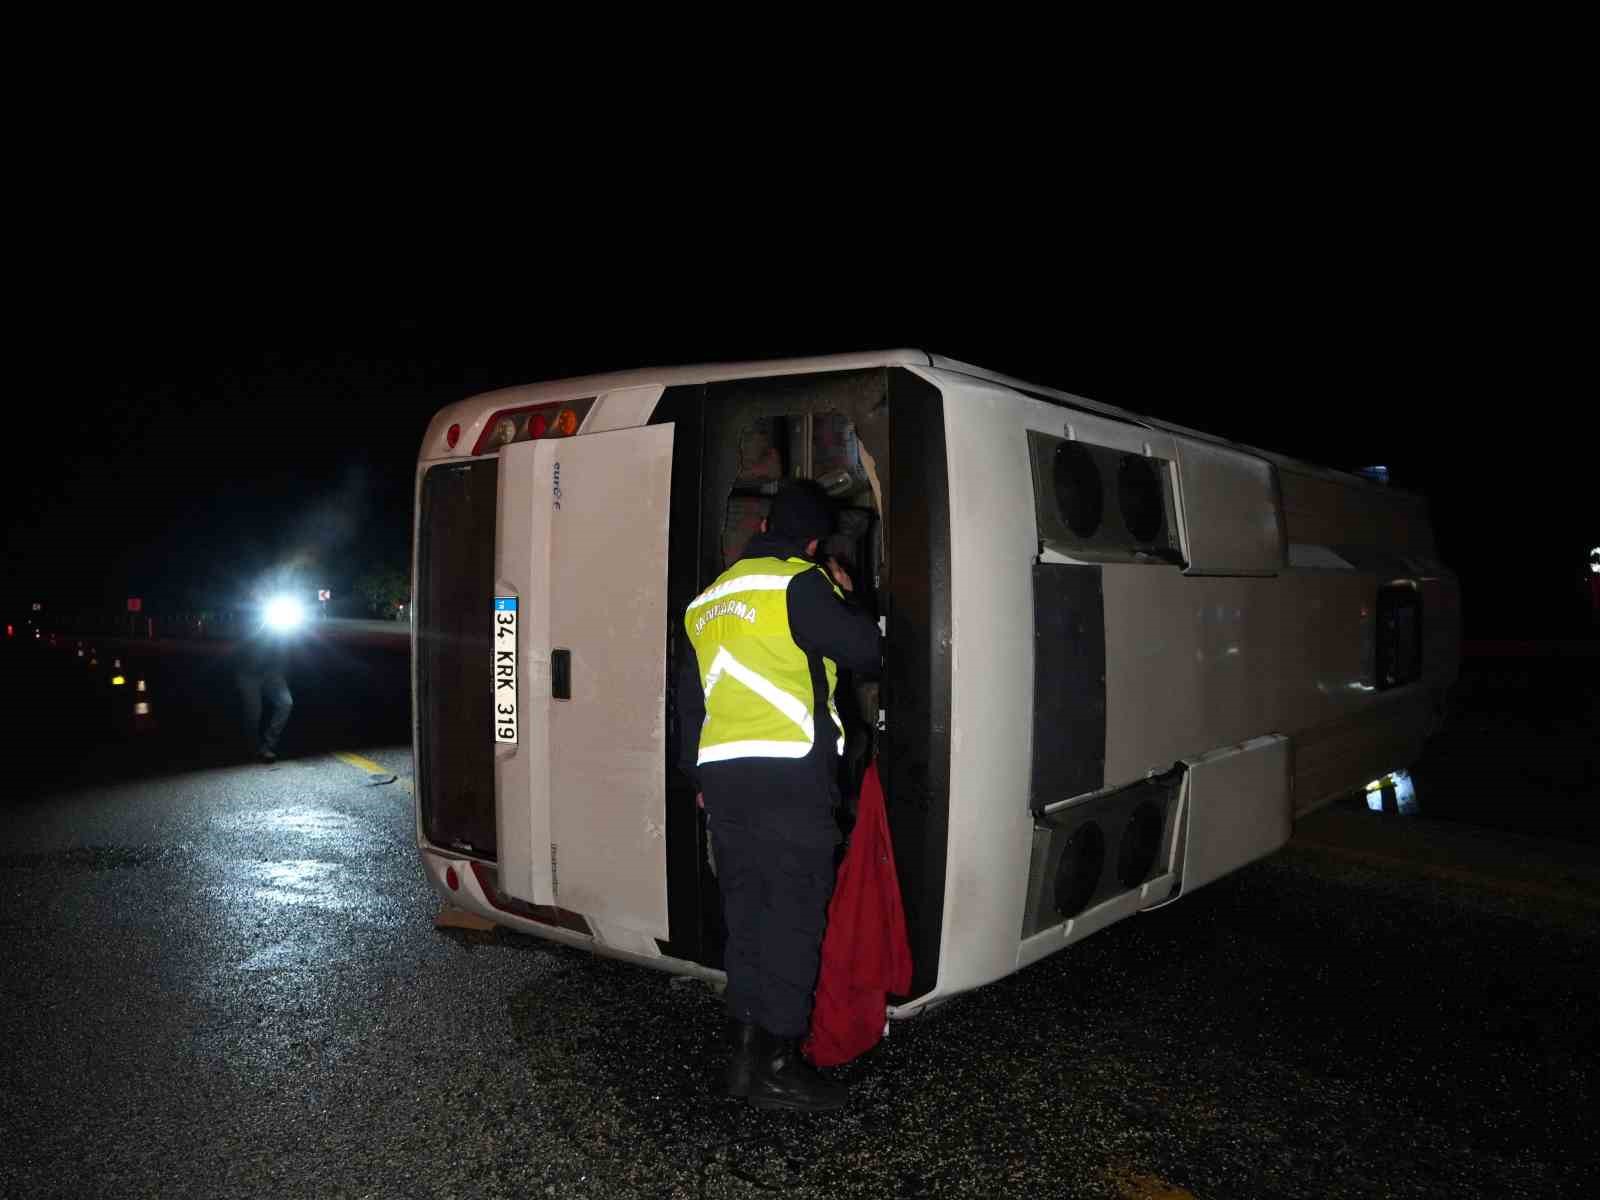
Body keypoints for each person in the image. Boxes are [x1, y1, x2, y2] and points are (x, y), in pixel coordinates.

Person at [677, 480, 882, 1112]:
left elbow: (690, 703)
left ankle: (743, 1058)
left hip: (727, 786)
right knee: (792, 918)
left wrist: (700, 780)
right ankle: (778, 1064)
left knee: (749, 919)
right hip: (790, 781)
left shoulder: (707, 600)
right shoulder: (801, 582)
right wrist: (848, 598)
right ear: (814, 541)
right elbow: (868, 654)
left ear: (765, 525)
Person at [235, 607, 294, 762]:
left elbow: (285, 646)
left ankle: (267, 746)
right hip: (247, 673)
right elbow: (243, 642)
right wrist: (263, 626)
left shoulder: (275, 613)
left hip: (271, 671)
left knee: (286, 703)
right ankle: (252, 748)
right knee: (253, 714)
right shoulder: (246, 615)